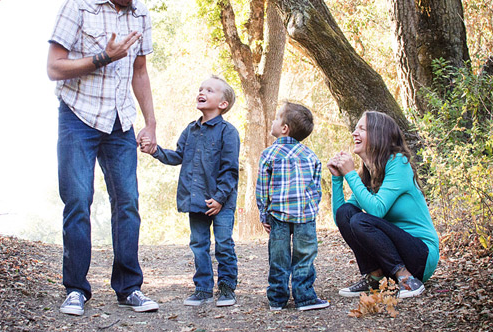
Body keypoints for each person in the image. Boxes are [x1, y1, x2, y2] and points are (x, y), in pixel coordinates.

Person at [47, 0, 159, 316]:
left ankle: (129, 288)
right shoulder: (77, 6)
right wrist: (103, 58)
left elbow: (139, 71)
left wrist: (151, 122)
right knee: (78, 201)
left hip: (119, 121)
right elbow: (54, 67)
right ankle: (76, 289)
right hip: (78, 117)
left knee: (127, 202)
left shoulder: (140, 13)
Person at [140, 75, 240, 307]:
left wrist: (219, 198)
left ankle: (226, 288)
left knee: (223, 243)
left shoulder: (228, 132)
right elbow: (178, 157)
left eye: (210, 90)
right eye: (200, 88)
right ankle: (203, 289)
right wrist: (155, 151)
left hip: (221, 201)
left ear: (223, 104)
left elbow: (230, 170)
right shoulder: (191, 130)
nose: (202, 92)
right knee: (199, 244)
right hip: (196, 200)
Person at [327, 111, 439, 299]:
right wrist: (337, 180)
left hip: (420, 254)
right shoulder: (369, 175)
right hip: (392, 256)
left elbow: (376, 210)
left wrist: (350, 174)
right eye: (355, 129)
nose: (355, 133)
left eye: (362, 129)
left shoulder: (398, 162)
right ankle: (375, 277)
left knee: (361, 220)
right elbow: (341, 218)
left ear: (379, 134)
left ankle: (407, 279)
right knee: (348, 212)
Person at [256, 102, 330, 312]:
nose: (272, 121)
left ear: (284, 128)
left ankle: (277, 299)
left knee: (278, 257)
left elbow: (262, 188)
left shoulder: (268, 155)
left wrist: (263, 213)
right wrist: (312, 209)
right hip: (305, 216)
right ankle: (304, 298)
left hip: (278, 215)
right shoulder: (311, 156)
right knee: (305, 257)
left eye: (276, 118)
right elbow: (316, 189)